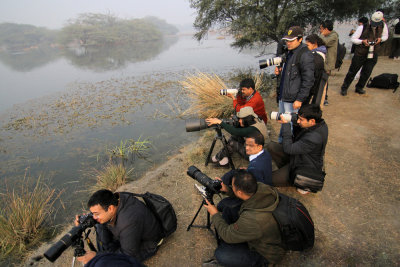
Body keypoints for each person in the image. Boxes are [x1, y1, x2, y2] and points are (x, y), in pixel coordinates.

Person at [203, 170, 285, 266]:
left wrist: (215, 214)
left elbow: (227, 235)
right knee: (228, 208)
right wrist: (227, 189)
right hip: (264, 231)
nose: (231, 187)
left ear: (240, 192)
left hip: (265, 253)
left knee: (221, 255)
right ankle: (234, 241)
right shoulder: (261, 187)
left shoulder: (252, 220)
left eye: (232, 186)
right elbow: (244, 194)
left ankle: (260, 263)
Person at [75, 189, 163, 265]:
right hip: (131, 235)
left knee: (110, 262)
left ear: (110, 208)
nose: (94, 217)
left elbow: (128, 254)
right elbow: (101, 214)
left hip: (146, 246)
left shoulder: (128, 222)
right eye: (93, 213)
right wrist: (86, 220)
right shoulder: (117, 198)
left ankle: (105, 253)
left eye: (96, 214)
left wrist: (97, 256)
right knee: (100, 225)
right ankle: (106, 250)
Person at [267, 104, 328, 194]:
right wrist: (293, 118)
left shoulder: (314, 138)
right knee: (271, 147)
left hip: (304, 166)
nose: (298, 121)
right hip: (299, 157)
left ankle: (297, 181)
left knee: (268, 179)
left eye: (301, 120)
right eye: (298, 118)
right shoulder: (319, 124)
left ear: (312, 121)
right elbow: (296, 136)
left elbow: (288, 148)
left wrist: (286, 125)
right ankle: (286, 169)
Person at [274, 26, 314, 143]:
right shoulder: (289, 52)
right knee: (283, 121)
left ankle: (287, 147)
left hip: (292, 98)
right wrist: (280, 71)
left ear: (300, 39)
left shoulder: (305, 55)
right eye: (287, 40)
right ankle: (282, 143)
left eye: (291, 40)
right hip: (284, 95)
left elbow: (309, 80)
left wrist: (300, 99)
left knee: (290, 125)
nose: (288, 43)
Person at [340, 11, 389, 95]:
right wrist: (362, 41)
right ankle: (344, 88)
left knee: (367, 72)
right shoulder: (362, 27)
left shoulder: (383, 26)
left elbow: (385, 36)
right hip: (360, 52)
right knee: (353, 71)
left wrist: (381, 39)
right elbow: (353, 39)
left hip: (373, 52)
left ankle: (359, 87)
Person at [319, 20, 339, 106]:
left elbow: (324, 42)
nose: (320, 31)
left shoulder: (333, 36)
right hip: (324, 62)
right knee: (321, 80)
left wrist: (321, 35)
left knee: (324, 81)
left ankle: (324, 98)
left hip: (328, 63)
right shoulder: (329, 35)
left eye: (321, 29)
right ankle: (321, 97)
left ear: (326, 29)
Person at [305, 34, 327, 104]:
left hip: (314, 85)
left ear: (315, 44)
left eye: (308, 45)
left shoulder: (316, 56)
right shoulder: (323, 51)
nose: (306, 47)